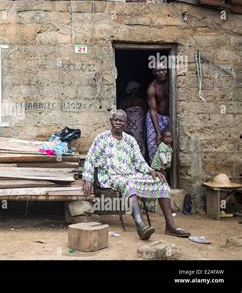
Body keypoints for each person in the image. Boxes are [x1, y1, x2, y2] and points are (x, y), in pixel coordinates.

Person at [81, 110, 190, 240]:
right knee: (129, 184)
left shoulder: (130, 140)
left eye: (121, 120)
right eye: (115, 120)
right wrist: (88, 179)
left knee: (161, 182)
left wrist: (151, 171)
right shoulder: (101, 138)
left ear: (125, 123)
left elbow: (139, 161)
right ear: (111, 121)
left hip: (130, 174)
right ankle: (140, 225)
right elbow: (90, 159)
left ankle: (170, 226)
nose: (118, 122)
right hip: (110, 176)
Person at [146, 66, 170, 163]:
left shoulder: (172, 83)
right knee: (153, 144)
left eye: (163, 70)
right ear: (154, 72)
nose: (161, 73)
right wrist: (158, 132)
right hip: (155, 117)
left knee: (169, 143)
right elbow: (153, 111)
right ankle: (156, 171)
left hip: (168, 117)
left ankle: (167, 172)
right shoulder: (152, 88)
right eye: (158, 71)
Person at [119, 81, 147, 157]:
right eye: (137, 89)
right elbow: (145, 110)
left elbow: (121, 111)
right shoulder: (140, 101)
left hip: (128, 125)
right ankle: (140, 157)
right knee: (139, 140)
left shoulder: (124, 101)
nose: (139, 90)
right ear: (134, 90)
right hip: (138, 126)